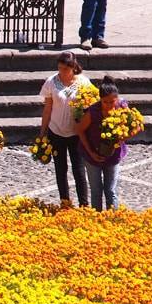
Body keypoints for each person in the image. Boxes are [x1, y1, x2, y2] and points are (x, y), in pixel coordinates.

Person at [39, 51, 90, 207]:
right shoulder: (51, 82)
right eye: (59, 68)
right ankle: (65, 202)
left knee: (79, 169)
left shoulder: (83, 82)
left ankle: (83, 204)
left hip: (76, 133)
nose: (61, 72)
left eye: (65, 69)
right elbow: (48, 108)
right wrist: (43, 132)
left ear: (73, 67)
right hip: (56, 131)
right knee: (60, 169)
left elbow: (90, 104)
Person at [77, 76, 133, 211]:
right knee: (96, 191)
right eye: (105, 102)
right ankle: (97, 220)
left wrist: (122, 138)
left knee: (110, 190)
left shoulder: (122, 108)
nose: (109, 105)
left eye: (112, 101)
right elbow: (79, 130)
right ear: (100, 99)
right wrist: (91, 152)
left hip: (113, 155)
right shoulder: (92, 111)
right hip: (92, 156)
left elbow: (135, 127)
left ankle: (113, 219)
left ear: (117, 99)